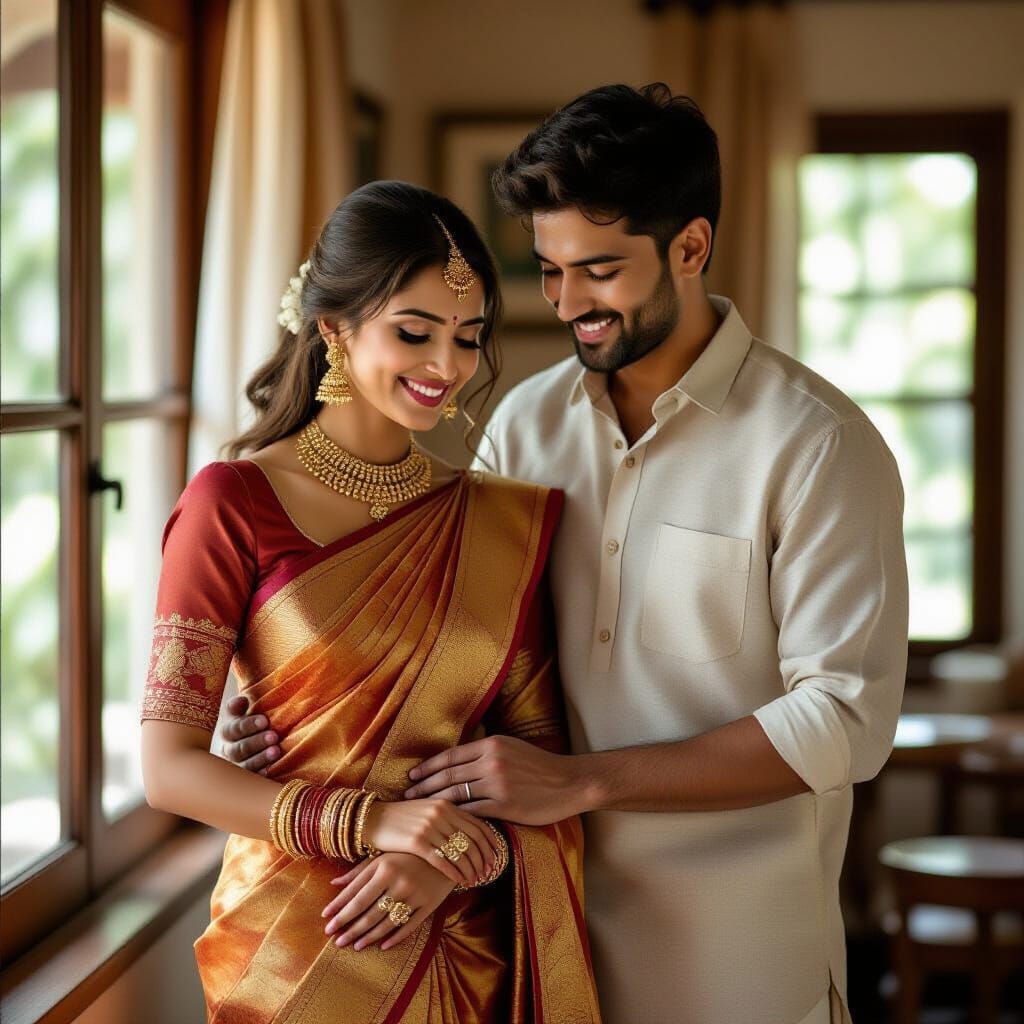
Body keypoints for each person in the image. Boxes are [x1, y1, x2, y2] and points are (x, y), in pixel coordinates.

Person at [222, 86, 909, 1024]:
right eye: (548, 271)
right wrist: (297, 727)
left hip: (738, 958)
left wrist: (585, 781)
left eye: (599, 271)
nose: (567, 302)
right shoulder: (527, 423)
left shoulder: (818, 443)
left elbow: (846, 720)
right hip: (527, 930)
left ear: (691, 248)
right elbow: (465, 659)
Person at [140, 180, 600, 1024]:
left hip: (461, 932)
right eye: (414, 332)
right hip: (290, 946)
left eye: (468, 337)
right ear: (332, 326)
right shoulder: (231, 503)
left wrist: (451, 856)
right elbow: (168, 769)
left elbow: (536, 754)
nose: (447, 367)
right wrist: (373, 823)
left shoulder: (500, 521)